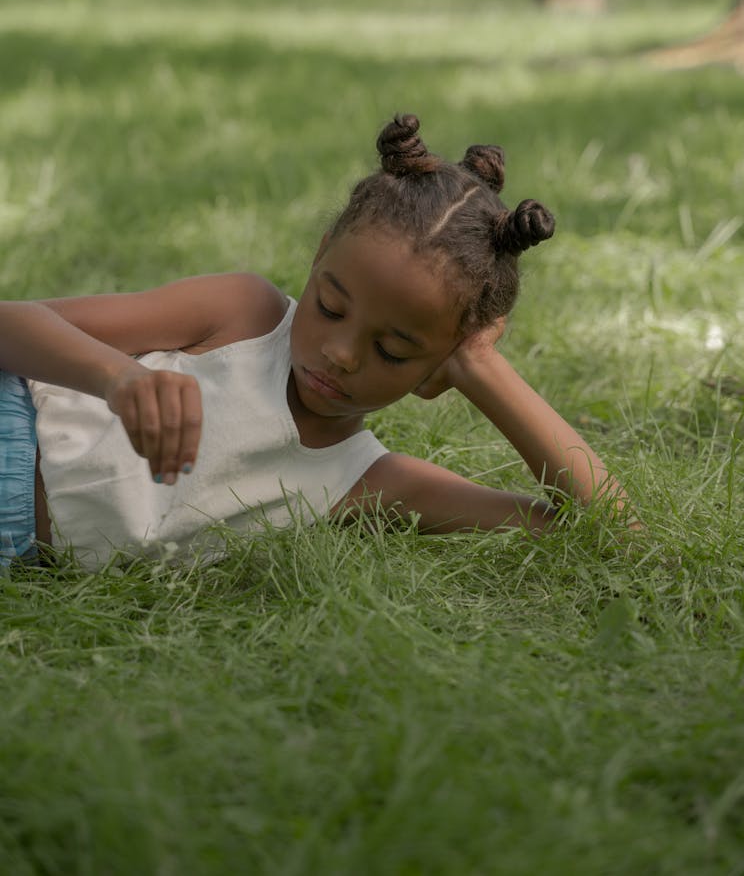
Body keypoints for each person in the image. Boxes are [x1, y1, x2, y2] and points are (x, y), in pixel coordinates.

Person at [0, 114, 635, 572]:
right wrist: (119, 378)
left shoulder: (369, 482)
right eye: (329, 307)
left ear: (438, 360)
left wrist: (479, 365)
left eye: (393, 351)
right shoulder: (242, 313)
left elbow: (607, 527)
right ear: (318, 259)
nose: (341, 352)